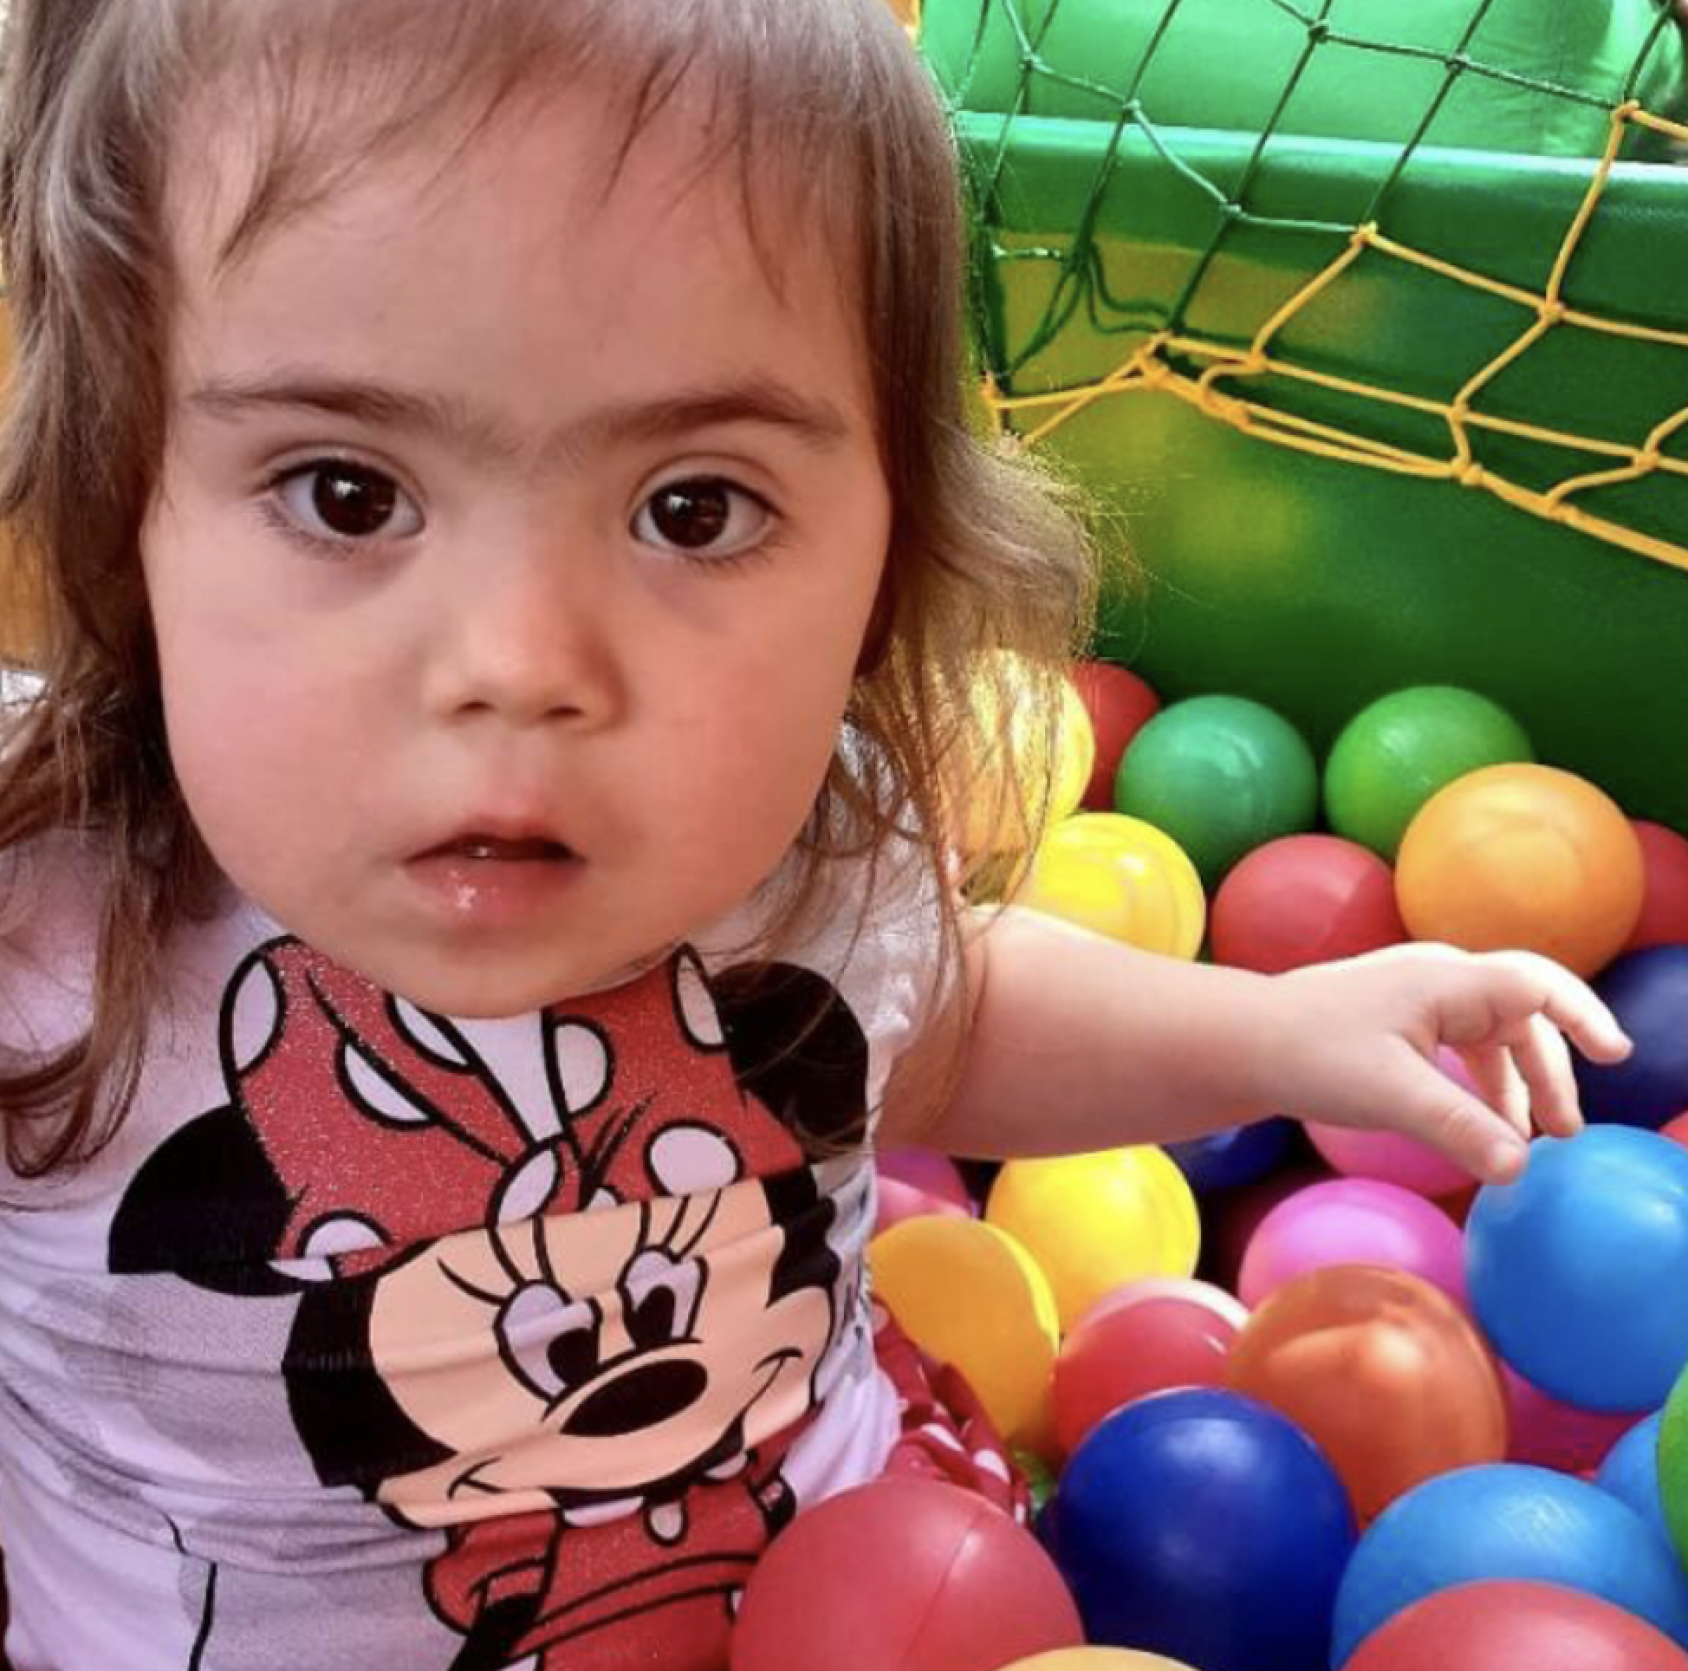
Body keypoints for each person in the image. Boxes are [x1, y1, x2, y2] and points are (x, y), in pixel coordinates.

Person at [0, 1, 1630, 1667]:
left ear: (888, 568)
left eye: (691, 508)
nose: (519, 663)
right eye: (347, 492)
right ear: (122, 504)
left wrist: (1283, 1032)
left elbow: (956, 1019)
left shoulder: (807, 864)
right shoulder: (34, 915)